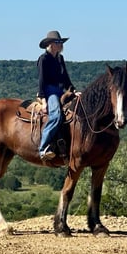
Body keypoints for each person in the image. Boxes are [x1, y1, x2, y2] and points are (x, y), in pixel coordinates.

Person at [36, 30, 76, 160]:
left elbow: (65, 78)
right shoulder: (44, 59)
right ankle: (43, 147)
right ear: (50, 44)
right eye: (58, 42)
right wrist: (43, 100)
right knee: (56, 115)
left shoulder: (60, 58)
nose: (61, 44)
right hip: (50, 91)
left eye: (61, 42)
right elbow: (42, 80)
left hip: (61, 91)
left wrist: (73, 91)